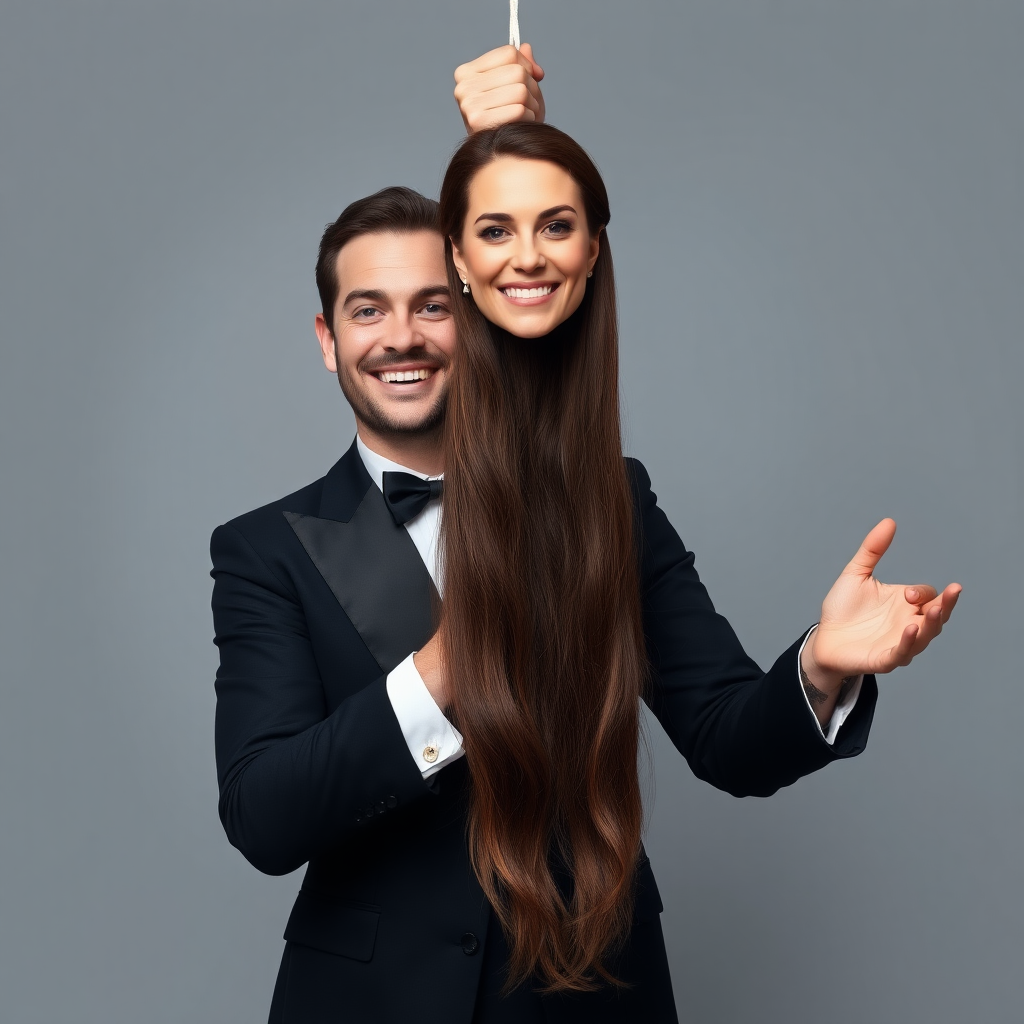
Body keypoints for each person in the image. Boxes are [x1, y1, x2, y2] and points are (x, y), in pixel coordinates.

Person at [211, 46, 960, 1024]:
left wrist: (819, 667)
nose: (403, 337)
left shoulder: (605, 498)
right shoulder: (266, 548)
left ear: (467, 299)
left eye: (430, 303)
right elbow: (265, 816)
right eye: (368, 311)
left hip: (588, 992)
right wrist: (440, 673)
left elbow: (730, 739)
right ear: (328, 339)